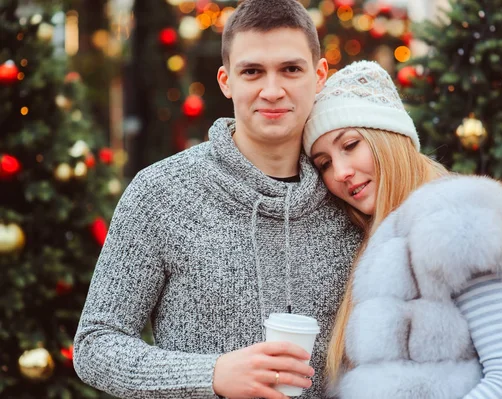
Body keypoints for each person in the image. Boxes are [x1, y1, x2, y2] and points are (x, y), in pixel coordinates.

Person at [72, 1, 361, 398]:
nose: (272, 90)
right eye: (252, 72)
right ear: (226, 81)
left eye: (291, 69)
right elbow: (94, 344)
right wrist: (211, 374)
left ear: (319, 75)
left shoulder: (349, 197)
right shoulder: (160, 193)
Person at [303, 60, 502, 398]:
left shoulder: (455, 221)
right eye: (324, 164)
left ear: (389, 137)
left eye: (350, 145)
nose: (341, 172)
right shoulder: (380, 239)